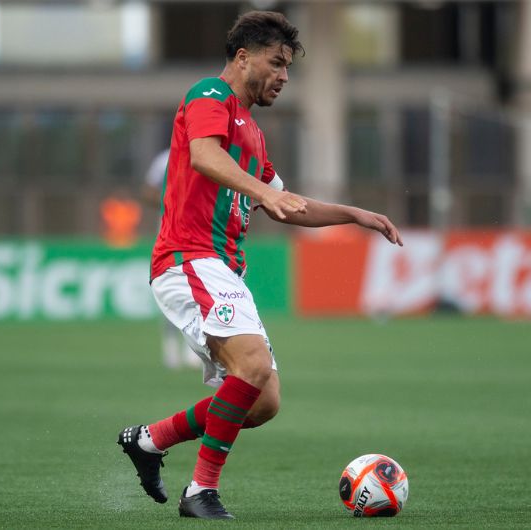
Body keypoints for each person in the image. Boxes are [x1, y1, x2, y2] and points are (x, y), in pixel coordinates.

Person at [117, 10, 403, 520]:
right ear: (243, 57)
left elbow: (287, 202)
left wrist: (353, 214)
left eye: (288, 67)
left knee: (263, 400)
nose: (284, 77)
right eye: (276, 63)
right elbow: (205, 157)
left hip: (223, 269)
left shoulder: (252, 133)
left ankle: (149, 440)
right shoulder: (211, 95)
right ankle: (200, 491)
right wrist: (257, 193)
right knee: (250, 367)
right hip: (189, 258)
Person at [142, 148, 202, 369]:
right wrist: (170, 199)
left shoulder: (208, 152)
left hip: (199, 234)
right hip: (169, 235)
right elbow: (148, 191)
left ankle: (193, 348)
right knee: (171, 294)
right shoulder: (164, 159)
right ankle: (170, 346)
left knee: (196, 292)